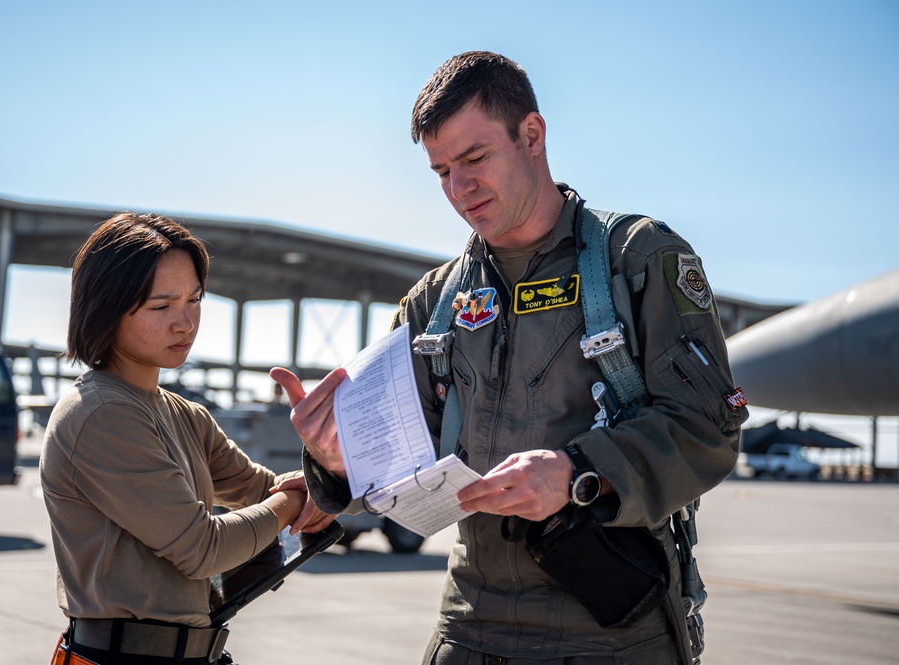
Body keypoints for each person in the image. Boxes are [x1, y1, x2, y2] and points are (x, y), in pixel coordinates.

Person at [271, 51, 749, 664]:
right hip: (470, 631)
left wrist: (579, 472)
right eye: (441, 170)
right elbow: (391, 469)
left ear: (532, 135)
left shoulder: (638, 260)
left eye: (475, 159)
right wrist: (340, 461)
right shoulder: (432, 305)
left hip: (616, 636)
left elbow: (706, 427)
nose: (459, 188)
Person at [40, 212, 332, 665]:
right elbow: (203, 549)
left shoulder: (183, 414)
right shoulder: (100, 414)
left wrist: (319, 470)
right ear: (106, 307)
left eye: (193, 300)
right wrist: (295, 503)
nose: (185, 323)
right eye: (161, 306)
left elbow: (261, 488)